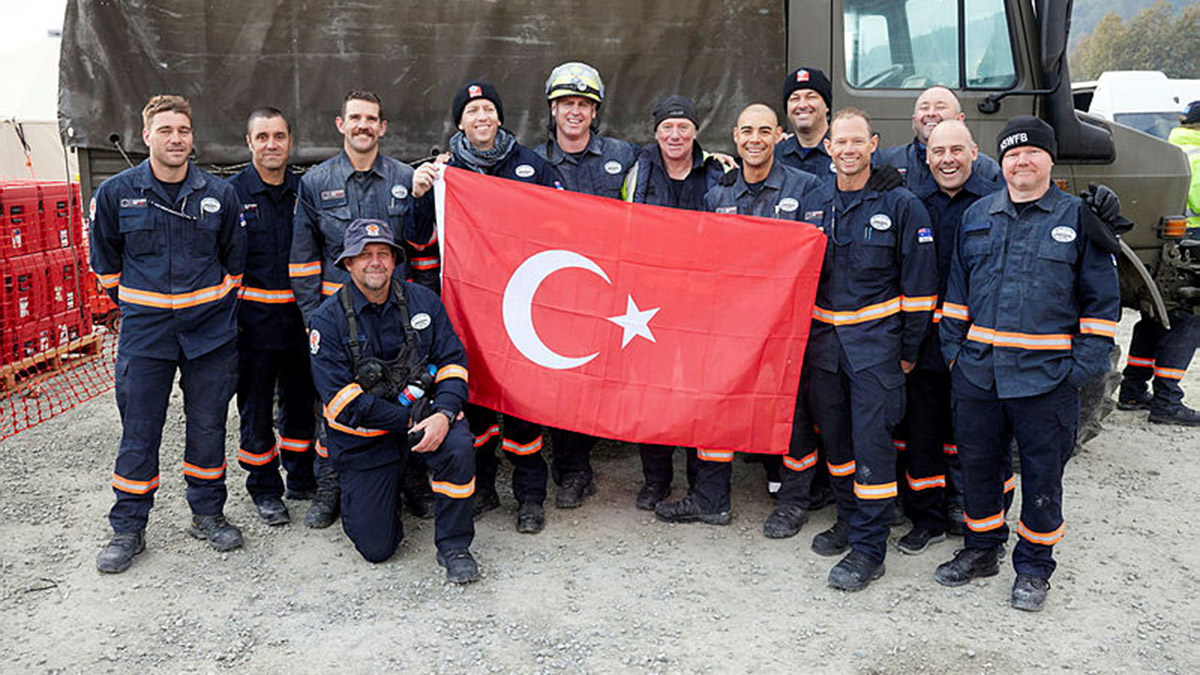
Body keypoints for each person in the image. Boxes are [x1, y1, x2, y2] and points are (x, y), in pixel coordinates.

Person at [935, 116, 1120, 611]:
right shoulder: (978, 216)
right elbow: (957, 296)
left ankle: (1035, 568)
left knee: (1042, 477)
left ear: (1049, 160)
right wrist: (955, 356)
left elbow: (1102, 307)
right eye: (1012, 154)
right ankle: (982, 550)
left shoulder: (1079, 219)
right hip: (978, 375)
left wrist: (1076, 374)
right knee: (979, 469)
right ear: (1000, 163)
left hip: (1046, 382)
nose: (1022, 161)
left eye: (1032, 152)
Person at [645, 102, 827, 527]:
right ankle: (711, 499)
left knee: (791, 414)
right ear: (735, 137)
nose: (754, 140)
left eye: (764, 131)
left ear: (778, 136)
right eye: (747, 132)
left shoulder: (808, 188)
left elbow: (818, 259)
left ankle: (793, 501)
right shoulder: (719, 195)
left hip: (786, 327)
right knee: (716, 407)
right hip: (731, 327)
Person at [92, 94, 246, 573]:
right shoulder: (116, 193)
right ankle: (128, 527)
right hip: (146, 336)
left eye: (183, 130)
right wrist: (145, 305)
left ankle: (208, 514)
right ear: (146, 136)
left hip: (210, 335)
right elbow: (105, 265)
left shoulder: (219, 194)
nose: (175, 139)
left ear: (192, 136)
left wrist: (205, 306)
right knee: (139, 431)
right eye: (165, 130)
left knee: (208, 426)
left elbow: (235, 264)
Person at [805, 108, 938, 591]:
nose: (848, 149)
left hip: (876, 352)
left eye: (857, 141)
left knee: (872, 449)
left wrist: (907, 350)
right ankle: (847, 518)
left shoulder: (902, 205)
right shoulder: (815, 202)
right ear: (828, 147)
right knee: (836, 444)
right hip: (825, 348)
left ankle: (869, 548)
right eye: (840, 142)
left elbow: (921, 289)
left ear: (873, 144)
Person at [290, 90, 436, 529]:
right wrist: (314, 321)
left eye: (371, 118)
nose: (363, 125)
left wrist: (423, 318)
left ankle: (411, 480)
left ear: (382, 127)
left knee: (403, 393)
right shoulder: (315, 182)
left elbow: (420, 248)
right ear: (341, 124)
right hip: (337, 320)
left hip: (395, 315)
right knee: (334, 403)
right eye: (355, 117)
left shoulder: (406, 178)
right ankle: (330, 485)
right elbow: (302, 261)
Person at [422, 81, 562, 534]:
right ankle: (483, 488)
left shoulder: (532, 166)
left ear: (500, 117)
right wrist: (423, 192)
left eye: (488, 109)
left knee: (523, 409)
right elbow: (418, 239)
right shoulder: (446, 171)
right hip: (469, 310)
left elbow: (565, 225)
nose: (481, 117)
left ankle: (530, 497)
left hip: (524, 307)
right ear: (460, 122)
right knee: (475, 403)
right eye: (472, 111)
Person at [307, 218, 479, 583]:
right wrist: (415, 420)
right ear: (348, 263)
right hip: (367, 440)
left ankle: (454, 547)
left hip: (424, 422)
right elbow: (344, 405)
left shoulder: (423, 301)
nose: (375, 262)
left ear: (394, 260)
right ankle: (387, 487)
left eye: (383, 253)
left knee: (459, 446)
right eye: (364, 254)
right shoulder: (327, 320)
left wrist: (445, 413)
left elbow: (453, 363)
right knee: (377, 548)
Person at [894, 119, 1003, 552]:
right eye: (938, 152)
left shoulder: (995, 204)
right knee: (923, 437)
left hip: (977, 344)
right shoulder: (913, 204)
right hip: (924, 343)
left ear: (974, 153)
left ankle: (974, 513)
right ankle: (927, 519)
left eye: (956, 150)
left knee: (975, 438)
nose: (947, 160)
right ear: (926, 158)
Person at [535, 62, 639, 508]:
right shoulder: (531, 162)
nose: (574, 112)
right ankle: (573, 470)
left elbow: (673, 164)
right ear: (552, 109)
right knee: (566, 381)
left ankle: (648, 470)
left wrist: (714, 163)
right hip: (560, 290)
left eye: (583, 104)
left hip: (615, 287)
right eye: (566, 103)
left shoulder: (626, 155)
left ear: (595, 112)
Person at [621, 94, 728, 513]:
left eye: (683, 126)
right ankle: (656, 479)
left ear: (696, 131)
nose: (675, 135)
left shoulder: (719, 171)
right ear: (656, 132)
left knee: (701, 392)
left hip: (705, 301)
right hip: (651, 301)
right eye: (667, 127)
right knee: (653, 394)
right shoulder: (637, 171)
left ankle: (700, 481)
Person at [228, 107, 317, 525]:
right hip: (252, 326)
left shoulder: (304, 192)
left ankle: (300, 477)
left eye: (279, 136)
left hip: (300, 322)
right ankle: (264, 488)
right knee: (257, 410)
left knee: (300, 405)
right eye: (262, 137)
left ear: (290, 141)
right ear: (249, 142)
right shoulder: (231, 195)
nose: (271, 145)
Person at [1117, 100, 1200, 427]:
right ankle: (1167, 400)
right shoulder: (1196, 154)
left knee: (1154, 319)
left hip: (1166, 245)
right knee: (1190, 319)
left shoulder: (1171, 149)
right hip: (1191, 245)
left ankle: (1133, 389)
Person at [876, 86, 1001, 193]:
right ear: (913, 121)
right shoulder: (887, 162)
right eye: (924, 108)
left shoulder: (987, 169)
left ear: (960, 119)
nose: (931, 113)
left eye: (940, 107)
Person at [774, 67, 838, 184]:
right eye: (795, 98)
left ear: (827, 106)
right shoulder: (776, 155)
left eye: (811, 97)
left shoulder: (843, 151)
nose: (802, 105)